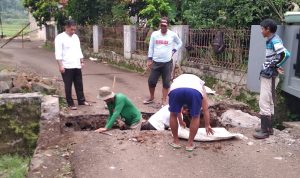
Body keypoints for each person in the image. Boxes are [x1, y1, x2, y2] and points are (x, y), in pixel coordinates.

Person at [253, 19, 290, 139]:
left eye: (262, 29)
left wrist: (274, 65)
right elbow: (279, 55)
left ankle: (265, 131)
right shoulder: (273, 39)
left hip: (269, 75)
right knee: (268, 100)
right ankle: (268, 128)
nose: (261, 31)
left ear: (268, 29)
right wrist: (276, 64)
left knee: (264, 100)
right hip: (270, 74)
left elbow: (285, 54)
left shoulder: (274, 40)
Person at [168, 74, 214, 152]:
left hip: (176, 90)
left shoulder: (177, 80)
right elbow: (205, 109)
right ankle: (189, 144)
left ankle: (175, 141)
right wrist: (207, 124)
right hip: (194, 91)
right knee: (196, 116)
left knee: (173, 114)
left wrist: (181, 121)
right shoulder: (200, 84)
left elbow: (177, 110)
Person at [143, 17, 182, 106]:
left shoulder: (172, 35)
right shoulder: (154, 34)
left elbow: (180, 43)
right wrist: (149, 59)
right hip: (156, 62)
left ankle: (164, 101)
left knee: (166, 83)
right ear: (160, 25)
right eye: (161, 25)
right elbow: (151, 47)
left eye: (165, 25)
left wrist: (174, 50)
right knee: (151, 81)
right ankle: (151, 97)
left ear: (167, 25)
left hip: (167, 63)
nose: (163, 27)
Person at [55, 20, 90, 110]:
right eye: (71, 29)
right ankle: (70, 103)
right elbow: (58, 53)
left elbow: (79, 50)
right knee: (68, 85)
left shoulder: (75, 37)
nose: (73, 31)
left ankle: (81, 100)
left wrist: (81, 61)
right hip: (66, 65)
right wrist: (60, 65)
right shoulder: (60, 38)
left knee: (79, 84)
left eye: (74, 30)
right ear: (66, 27)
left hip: (76, 64)